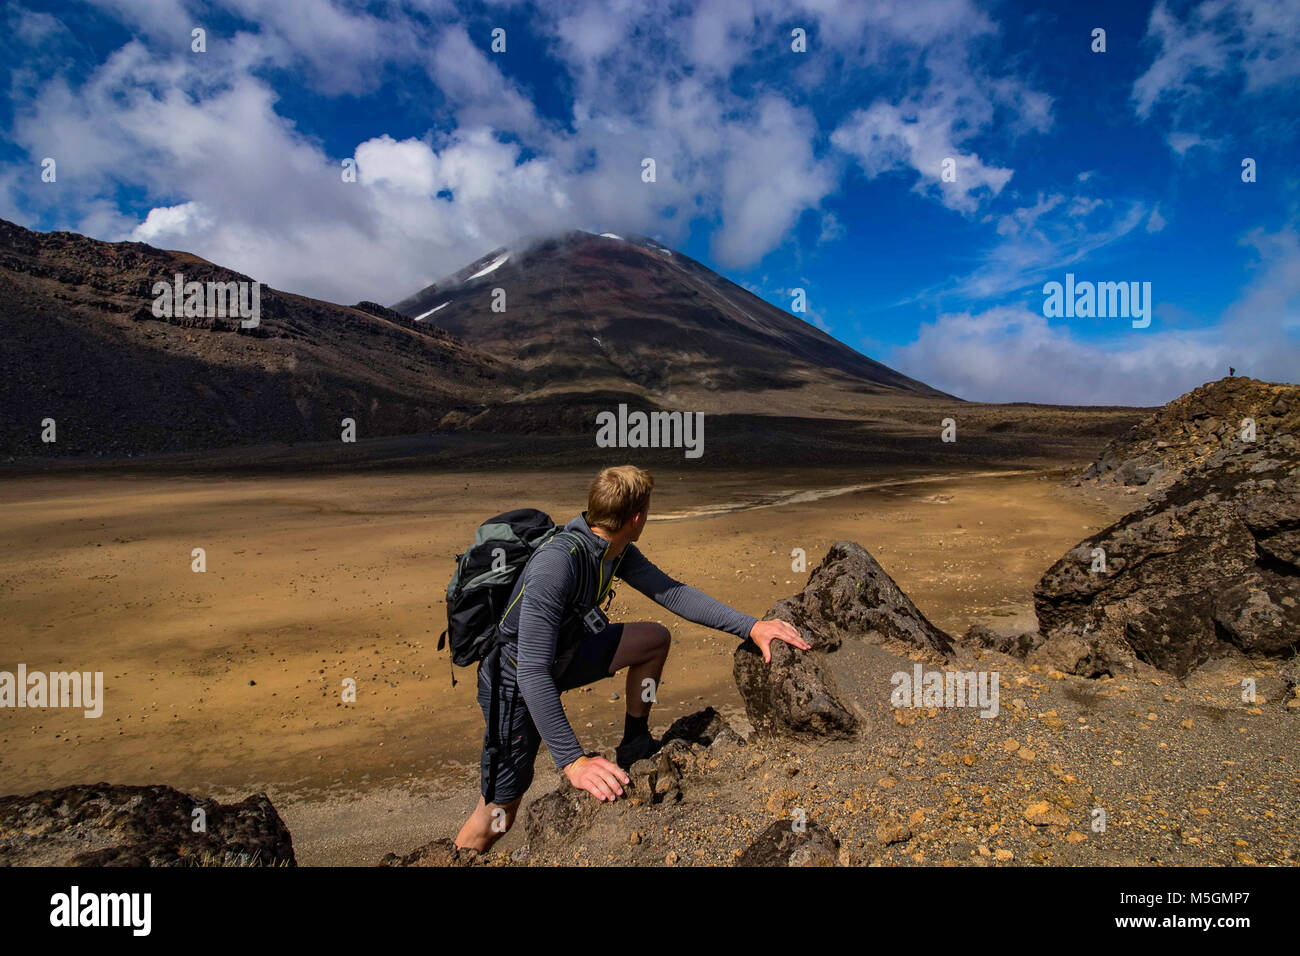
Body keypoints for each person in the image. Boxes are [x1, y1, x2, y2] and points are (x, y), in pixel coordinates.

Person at [454, 464, 808, 852]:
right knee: (500, 811)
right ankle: (460, 856)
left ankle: (635, 741)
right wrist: (574, 762)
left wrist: (751, 627)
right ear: (637, 518)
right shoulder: (558, 564)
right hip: (514, 683)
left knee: (654, 640)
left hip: (565, 654)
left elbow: (672, 593)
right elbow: (533, 673)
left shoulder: (614, 549)